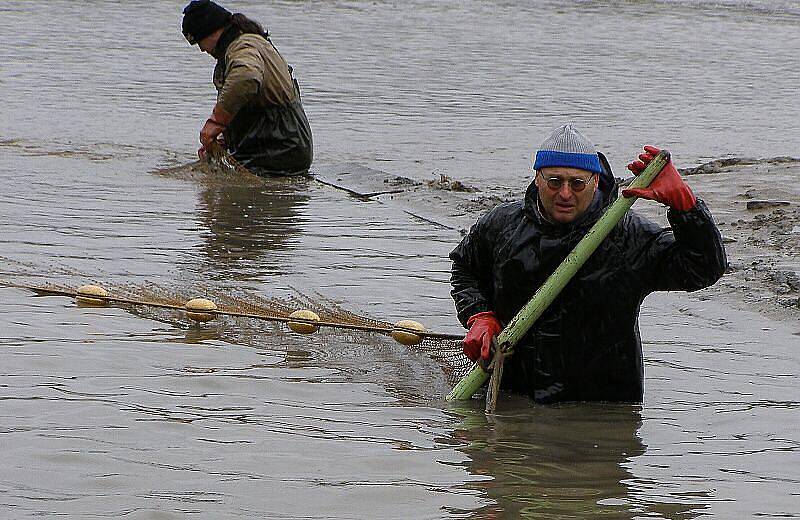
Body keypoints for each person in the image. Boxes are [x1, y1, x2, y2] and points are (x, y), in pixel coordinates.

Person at [449, 124, 727, 404]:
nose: (566, 194)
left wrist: (686, 208)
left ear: (595, 181)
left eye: (577, 183)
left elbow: (703, 269)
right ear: (537, 179)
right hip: (514, 394)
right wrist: (479, 316)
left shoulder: (628, 235)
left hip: (602, 404)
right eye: (554, 182)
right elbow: (464, 268)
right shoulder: (502, 226)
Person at [182, 0, 313, 176]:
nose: (202, 50)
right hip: (286, 146)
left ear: (211, 31)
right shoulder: (252, 42)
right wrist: (223, 139)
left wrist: (216, 122)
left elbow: (247, 77)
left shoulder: (242, 47)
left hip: (276, 149)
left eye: (199, 42)